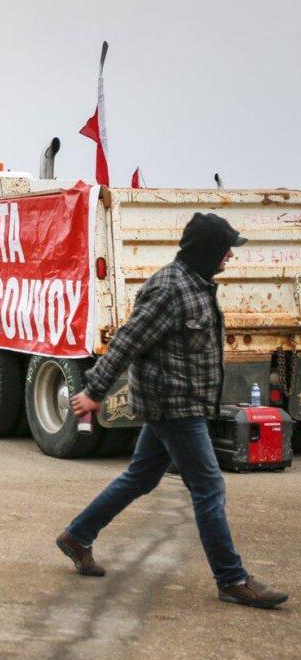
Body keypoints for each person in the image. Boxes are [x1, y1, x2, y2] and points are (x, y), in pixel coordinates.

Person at [57, 213, 288, 609]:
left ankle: (78, 535)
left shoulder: (195, 285)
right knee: (209, 487)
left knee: (140, 477)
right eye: (225, 248)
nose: (230, 255)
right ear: (208, 250)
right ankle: (232, 579)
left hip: (181, 402)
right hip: (174, 406)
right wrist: (95, 390)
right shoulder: (170, 289)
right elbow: (128, 340)